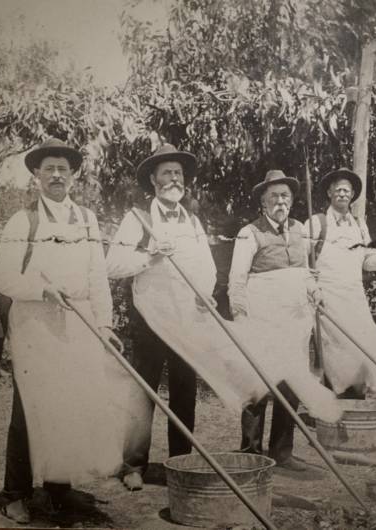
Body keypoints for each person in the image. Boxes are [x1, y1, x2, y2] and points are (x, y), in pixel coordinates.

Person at [106, 144, 273, 491]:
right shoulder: (138, 218)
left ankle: (180, 462)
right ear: (153, 179)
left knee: (184, 393)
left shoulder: (192, 220)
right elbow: (113, 264)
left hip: (187, 320)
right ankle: (132, 465)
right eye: (166, 173)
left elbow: (206, 267)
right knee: (143, 392)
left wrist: (205, 291)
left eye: (178, 173)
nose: (173, 179)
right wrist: (149, 256)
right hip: (150, 319)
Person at [0, 138, 123, 523]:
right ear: (37, 176)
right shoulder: (22, 221)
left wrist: (105, 324)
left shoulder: (87, 220)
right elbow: (0, 275)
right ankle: (15, 494)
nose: (57, 175)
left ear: (73, 175)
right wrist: (42, 289)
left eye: (63, 169)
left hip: (78, 324)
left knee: (68, 406)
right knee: (29, 408)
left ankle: (59, 489)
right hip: (35, 325)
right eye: (49, 169)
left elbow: (98, 278)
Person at [229, 170, 339, 472]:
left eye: (285, 196)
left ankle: (282, 452)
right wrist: (239, 315)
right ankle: (251, 451)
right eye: (275, 197)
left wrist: (314, 290)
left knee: (291, 383)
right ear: (264, 202)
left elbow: (304, 271)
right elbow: (237, 278)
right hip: (263, 318)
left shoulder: (300, 229)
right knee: (259, 384)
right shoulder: (249, 233)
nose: (281, 201)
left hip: (295, 319)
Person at [306, 168, 376, 399]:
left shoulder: (359, 225)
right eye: (337, 189)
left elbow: (368, 261)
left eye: (347, 189)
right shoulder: (317, 223)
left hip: (354, 296)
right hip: (327, 297)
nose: (342, 193)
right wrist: (311, 285)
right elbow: (300, 259)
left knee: (361, 345)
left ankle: (354, 401)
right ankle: (330, 405)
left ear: (353, 194)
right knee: (334, 349)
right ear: (329, 193)